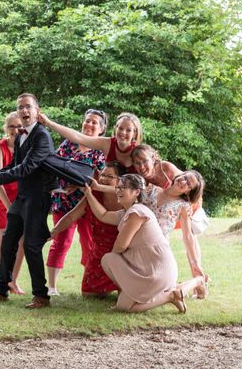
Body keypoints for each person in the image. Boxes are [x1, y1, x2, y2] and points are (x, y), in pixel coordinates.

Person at [0, 93, 58, 309]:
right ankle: (0, 290)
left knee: (31, 245)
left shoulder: (42, 136)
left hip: (38, 198)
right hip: (21, 197)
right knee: (8, 240)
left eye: (28, 107)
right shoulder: (21, 136)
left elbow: (27, 167)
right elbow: (14, 168)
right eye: (20, 107)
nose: (24, 111)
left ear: (37, 110)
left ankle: (41, 295)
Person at [83, 174, 205, 313]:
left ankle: (185, 287)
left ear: (188, 191)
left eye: (188, 184)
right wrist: (94, 190)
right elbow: (121, 195)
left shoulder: (182, 206)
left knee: (111, 260)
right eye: (184, 177)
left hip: (155, 249)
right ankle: (164, 294)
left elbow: (187, 235)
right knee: (124, 305)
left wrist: (195, 264)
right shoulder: (151, 191)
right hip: (139, 243)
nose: (183, 182)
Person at [46, 109, 106, 296]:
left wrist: (80, 186)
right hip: (63, 200)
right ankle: (52, 287)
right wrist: (60, 186)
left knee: (89, 244)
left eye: (94, 123)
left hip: (88, 203)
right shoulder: (68, 144)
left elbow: (101, 179)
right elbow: (54, 165)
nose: (89, 125)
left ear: (102, 129)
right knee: (61, 242)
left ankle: (89, 284)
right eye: (87, 121)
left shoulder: (101, 152)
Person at [49, 162, 125, 297]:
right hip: (99, 249)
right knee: (88, 294)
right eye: (102, 175)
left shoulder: (126, 196)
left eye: (110, 176)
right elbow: (72, 215)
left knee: (124, 294)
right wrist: (54, 231)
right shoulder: (93, 194)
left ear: (120, 180)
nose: (104, 179)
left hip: (122, 251)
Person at [0, 112, 26, 298]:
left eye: (18, 126)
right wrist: (10, 207)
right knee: (1, 239)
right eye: (11, 127)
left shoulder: (26, 145)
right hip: (0, 197)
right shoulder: (0, 148)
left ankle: (11, 281)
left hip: (20, 197)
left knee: (22, 241)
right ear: (5, 128)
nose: (15, 130)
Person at [38, 111, 142, 171]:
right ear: (115, 129)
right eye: (120, 128)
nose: (123, 132)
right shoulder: (108, 143)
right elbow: (77, 136)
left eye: (128, 130)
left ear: (135, 133)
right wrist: (49, 123)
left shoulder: (140, 152)